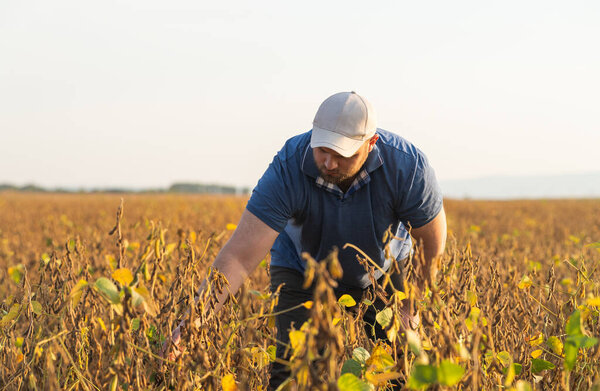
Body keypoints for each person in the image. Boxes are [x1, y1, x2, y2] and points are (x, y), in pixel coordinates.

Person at [163, 91, 447, 389]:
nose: (329, 162)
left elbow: (431, 243)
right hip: (302, 268)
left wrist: (410, 306)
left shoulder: (407, 167)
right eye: (323, 148)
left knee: (401, 368)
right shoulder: (289, 165)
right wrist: (190, 325)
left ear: (371, 143)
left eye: (342, 153)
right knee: (294, 372)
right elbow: (239, 256)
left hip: (384, 271)